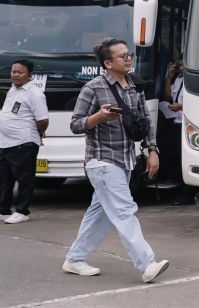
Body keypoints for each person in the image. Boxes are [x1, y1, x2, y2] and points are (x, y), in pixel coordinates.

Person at [62, 37, 169, 283]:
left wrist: (152, 150)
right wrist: (98, 117)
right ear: (108, 63)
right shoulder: (93, 88)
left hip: (126, 160)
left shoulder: (133, 86)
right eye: (123, 56)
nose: (129, 58)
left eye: (129, 54)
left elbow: (145, 122)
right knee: (124, 210)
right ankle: (146, 264)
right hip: (102, 161)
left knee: (99, 214)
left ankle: (75, 259)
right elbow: (75, 124)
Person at [0, 59, 48, 224]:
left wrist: (38, 133)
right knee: (4, 177)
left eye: (20, 72)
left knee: (25, 178)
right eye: (13, 72)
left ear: (30, 74)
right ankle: (3, 210)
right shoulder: (13, 89)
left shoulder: (35, 94)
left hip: (23, 142)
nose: (15, 75)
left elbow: (43, 120)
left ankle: (22, 211)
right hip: (5, 142)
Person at [158, 58, 195, 205]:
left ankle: (188, 194)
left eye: (183, 65)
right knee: (166, 151)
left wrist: (182, 106)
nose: (181, 68)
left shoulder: (195, 81)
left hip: (188, 125)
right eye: (179, 66)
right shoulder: (179, 80)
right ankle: (178, 182)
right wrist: (168, 77)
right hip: (175, 123)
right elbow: (168, 97)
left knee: (183, 159)